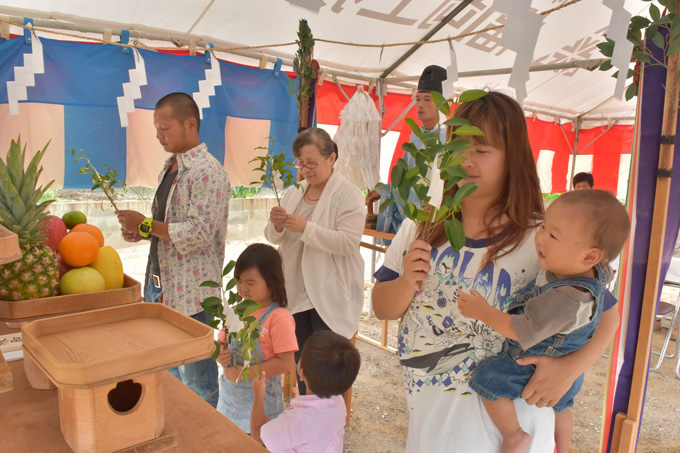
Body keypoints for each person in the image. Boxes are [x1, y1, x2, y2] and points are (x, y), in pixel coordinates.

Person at [371, 91, 621, 452]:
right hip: (431, 425)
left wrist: (571, 368)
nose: (466, 160)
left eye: (483, 150)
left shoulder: (543, 237)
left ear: (512, 159)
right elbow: (382, 307)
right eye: (458, 147)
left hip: (511, 433)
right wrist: (408, 280)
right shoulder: (422, 226)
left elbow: (607, 312)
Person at [458, 189, 630, 453]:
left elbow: (521, 330)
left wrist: (483, 312)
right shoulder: (595, 272)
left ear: (589, 256)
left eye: (553, 235)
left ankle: (514, 435)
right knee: (563, 406)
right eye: (543, 227)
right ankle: (564, 446)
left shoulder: (565, 298)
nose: (540, 237)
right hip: (569, 371)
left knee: (487, 379)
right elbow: (611, 306)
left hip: (533, 364)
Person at [115, 92, 230, 407]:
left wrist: (148, 225)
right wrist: (142, 232)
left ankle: (205, 436)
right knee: (168, 371)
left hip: (192, 292)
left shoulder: (208, 171)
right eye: (156, 128)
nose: (157, 135)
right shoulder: (171, 167)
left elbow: (199, 234)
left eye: (164, 128)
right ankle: (182, 428)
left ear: (190, 124)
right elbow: (168, 226)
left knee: (198, 379)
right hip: (160, 285)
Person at [264, 127, 365, 395]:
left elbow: (347, 243)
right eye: (301, 162)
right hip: (296, 289)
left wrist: (306, 228)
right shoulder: (294, 191)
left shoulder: (348, 194)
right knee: (303, 363)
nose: (306, 169)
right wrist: (276, 224)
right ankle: (306, 413)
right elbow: (275, 238)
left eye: (312, 162)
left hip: (328, 292)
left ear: (331, 158)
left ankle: (327, 423)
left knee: (327, 366)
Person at [215, 243, 298, 432]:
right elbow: (222, 342)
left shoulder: (279, 318)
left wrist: (245, 373)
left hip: (262, 410)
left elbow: (286, 363)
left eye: (250, 283)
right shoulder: (235, 312)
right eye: (239, 281)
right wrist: (220, 354)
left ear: (271, 281)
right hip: (229, 406)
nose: (242, 288)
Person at [367, 65, 449, 243]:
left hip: (433, 223)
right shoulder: (416, 135)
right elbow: (405, 178)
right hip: (409, 218)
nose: (420, 105)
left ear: (442, 103)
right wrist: (386, 190)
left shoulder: (447, 138)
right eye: (418, 99)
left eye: (428, 99)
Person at [250, 330, 361, 452]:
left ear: (301, 372)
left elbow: (257, 434)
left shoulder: (298, 420)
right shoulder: (338, 402)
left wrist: (259, 395)